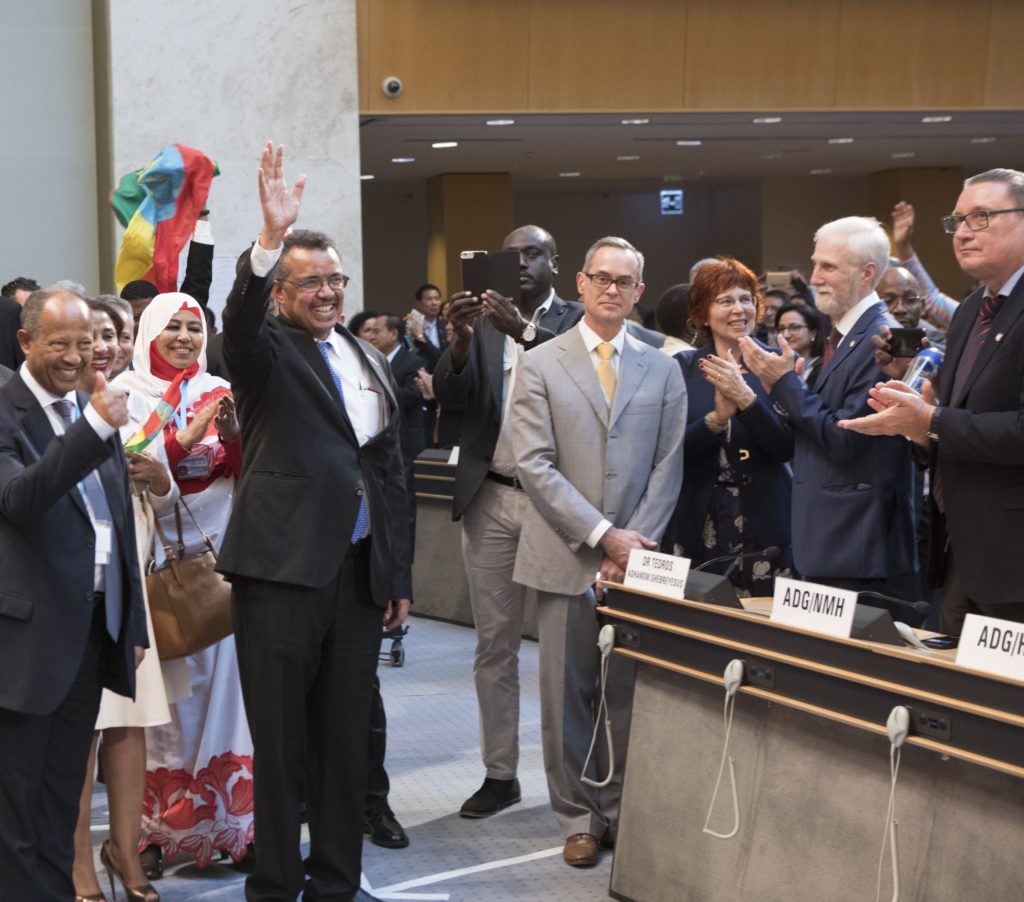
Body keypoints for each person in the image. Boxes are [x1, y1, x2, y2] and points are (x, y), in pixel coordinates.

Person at [218, 142, 410, 901]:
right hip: (280, 574)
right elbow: (233, 322)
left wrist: (395, 576)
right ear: (282, 291)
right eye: (311, 282)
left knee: (344, 742)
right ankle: (274, 885)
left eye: (336, 279)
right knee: (281, 742)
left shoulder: (368, 356)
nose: (328, 293)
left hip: (359, 579)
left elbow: (387, 475)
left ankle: (336, 882)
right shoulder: (263, 351)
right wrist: (267, 241)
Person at [510, 236, 686, 866]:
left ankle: (620, 810)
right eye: (602, 278)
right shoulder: (540, 363)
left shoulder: (663, 366)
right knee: (568, 696)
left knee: (629, 691)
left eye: (625, 281)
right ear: (581, 284)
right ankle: (579, 815)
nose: (612, 290)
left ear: (639, 292)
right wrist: (602, 537)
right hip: (565, 555)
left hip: (640, 563)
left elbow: (669, 465)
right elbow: (533, 464)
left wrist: (632, 546)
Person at [433, 223, 583, 819]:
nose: (521, 264)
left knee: (560, 648)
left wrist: (520, 331)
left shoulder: (573, 320)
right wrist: (463, 341)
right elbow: (451, 395)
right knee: (494, 646)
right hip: (491, 497)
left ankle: (568, 780)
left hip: (557, 505)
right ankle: (500, 774)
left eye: (534, 254)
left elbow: (581, 383)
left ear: (554, 261)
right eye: (513, 255)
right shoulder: (484, 323)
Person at [0, 288, 146, 900]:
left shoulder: (93, 408)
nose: (74, 356)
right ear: (26, 341)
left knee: (63, 803)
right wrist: (91, 424)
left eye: (84, 343)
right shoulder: (9, 410)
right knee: (17, 811)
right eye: (58, 343)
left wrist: (130, 623)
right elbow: (19, 500)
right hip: (27, 645)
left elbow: (116, 519)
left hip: (92, 634)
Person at [839, 169, 1024, 633]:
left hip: (1015, 563)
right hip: (961, 550)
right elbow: (952, 423)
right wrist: (917, 422)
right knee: (951, 697)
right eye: (957, 220)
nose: (962, 232)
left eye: (980, 217)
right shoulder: (970, 313)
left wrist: (932, 419)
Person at [112, 292, 254, 873]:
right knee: (166, 708)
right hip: (154, 568)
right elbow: (136, 471)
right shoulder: (125, 396)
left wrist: (238, 435)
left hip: (221, 567)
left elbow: (251, 468)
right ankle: (152, 835)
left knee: (230, 701)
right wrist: (187, 436)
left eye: (193, 327)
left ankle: (231, 829)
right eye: (170, 326)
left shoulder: (220, 389)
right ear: (147, 332)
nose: (183, 337)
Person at [740, 216, 917, 606]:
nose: (815, 276)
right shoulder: (843, 333)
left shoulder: (880, 339)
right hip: (832, 541)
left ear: (867, 272)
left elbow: (845, 439)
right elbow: (811, 434)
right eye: (816, 263)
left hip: (858, 546)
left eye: (829, 267)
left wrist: (785, 383)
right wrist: (784, 390)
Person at [72, 298, 179, 902]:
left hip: (131, 586)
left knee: (128, 724)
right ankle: (79, 858)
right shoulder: (55, 409)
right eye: (94, 335)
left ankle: (125, 850)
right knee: (82, 729)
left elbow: (163, 499)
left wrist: (156, 478)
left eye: (115, 334)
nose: (107, 345)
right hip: (78, 590)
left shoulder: (139, 406)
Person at [668, 259, 793, 596]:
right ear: (702, 313)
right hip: (700, 515)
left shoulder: (777, 365)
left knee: (764, 631)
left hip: (764, 521)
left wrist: (748, 402)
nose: (739, 309)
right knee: (699, 627)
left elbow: (786, 447)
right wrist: (716, 420)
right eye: (725, 301)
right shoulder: (682, 368)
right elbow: (668, 453)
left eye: (746, 299)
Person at [775, 302, 824, 387]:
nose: (786, 335)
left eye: (794, 328)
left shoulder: (825, 368)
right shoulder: (776, 366)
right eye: (781, 329)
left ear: (813, 332)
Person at [406, 283, 447, 369]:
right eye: (429, 299)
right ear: (419, 303)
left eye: (437, 299)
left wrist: (420, 336)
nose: (434, 303)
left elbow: (445, 358)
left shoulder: (446, 325)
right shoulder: (410, 327)